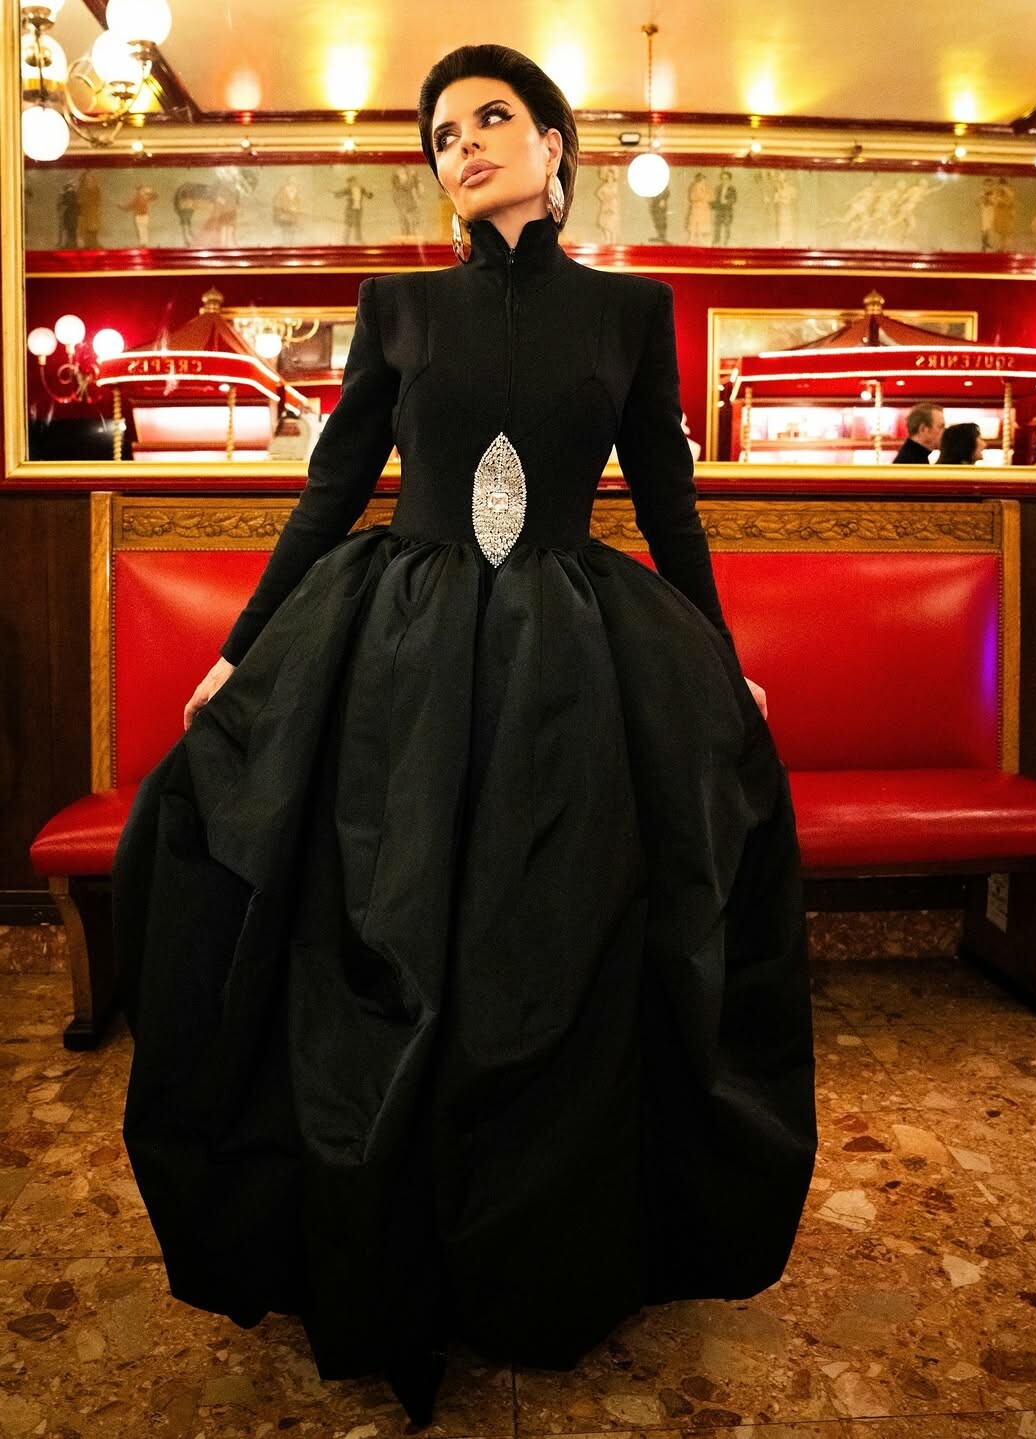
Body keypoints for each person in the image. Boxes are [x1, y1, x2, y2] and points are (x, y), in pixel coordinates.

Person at [114, 45, 816, 1430]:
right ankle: (389, 1238)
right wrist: (239, 651)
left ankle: (539, 1247)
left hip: (573, 656)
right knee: (386, 923)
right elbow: (331, 492)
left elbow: (667, 500)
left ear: (555, 145)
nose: (466, 143)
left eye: (494, 118)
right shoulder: (399, 306)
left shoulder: (631, 311)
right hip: (399, 650)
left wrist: (722, 662)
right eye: (443, 133)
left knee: (547, 938)